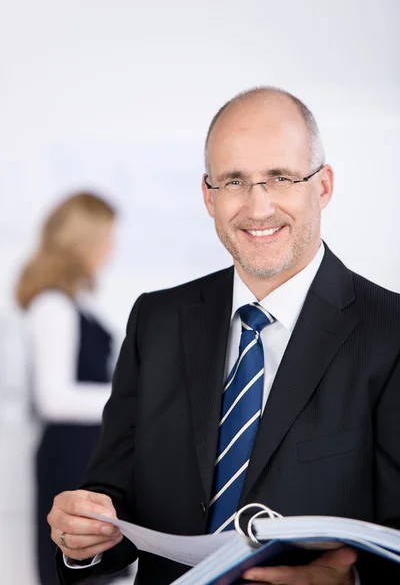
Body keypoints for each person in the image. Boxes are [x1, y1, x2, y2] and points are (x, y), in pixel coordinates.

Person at [48, 89, 400, 585]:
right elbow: (113, 504)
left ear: (322, 186)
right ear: (208, 196)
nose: (258, 208)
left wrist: (349, 581)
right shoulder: (158, 320)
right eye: (234, 181)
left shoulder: (390, 331)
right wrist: (82, 537)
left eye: (280, 177)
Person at [15, 192, 129, 585]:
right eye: (107, 238)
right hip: (70, 458)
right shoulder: (53, 305)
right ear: (85, 240)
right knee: (75, 566)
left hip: (85, 454)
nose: (112, 249)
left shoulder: (77, 302)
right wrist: (131, 401)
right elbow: (54, 398)